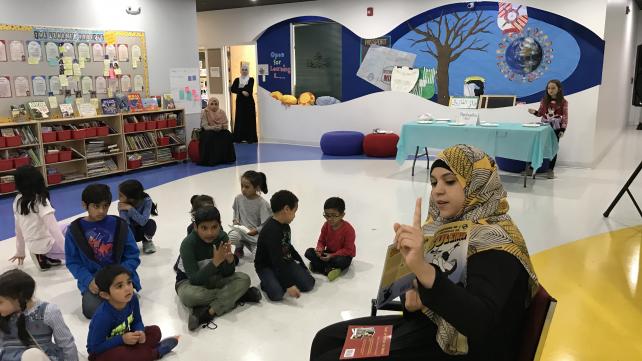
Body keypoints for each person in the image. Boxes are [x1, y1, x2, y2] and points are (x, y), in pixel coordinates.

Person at [310, 145, 539, 361]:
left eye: (450, 181)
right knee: (325, 340)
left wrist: (423, 270)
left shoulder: (496, 242)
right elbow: (438, 295)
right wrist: (413, 299)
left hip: (461, 349)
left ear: (476, 184)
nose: (438, 190)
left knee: (332, 357)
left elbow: (482, 323)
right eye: (433, 182)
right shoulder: (442, 226)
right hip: (432, 327)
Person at [174, 206, 261, 331]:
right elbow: (194, 280)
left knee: (244, 279)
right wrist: (215, 263)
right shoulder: (188, 244)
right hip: (189, 283)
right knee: (188, 296)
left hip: (215, 279)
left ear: (219, 225)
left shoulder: (222, 237)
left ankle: (207, 312)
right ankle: (239, 296)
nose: (210, 233)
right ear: (195, 227)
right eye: (204, 228)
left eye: (214, 227)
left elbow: (227, 273)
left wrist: (230, 261)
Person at [65, 183, 142, 319]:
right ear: (85, 205)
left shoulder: (120, 225)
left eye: (105, 206)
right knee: (90, 310)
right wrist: (89, 281)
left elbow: (133, 255)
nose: (101, 211)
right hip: (94, 281)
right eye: (96, 206)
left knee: (129, 304)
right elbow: (73, 262)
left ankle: (118, 299)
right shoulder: (74, 230)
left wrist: (121, 276)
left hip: (120, 277)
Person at [87, 265, 178, 361]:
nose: (128, 288)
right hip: (102, 353)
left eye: (129, 282)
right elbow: (95, 348)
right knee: (123, 355)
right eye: (120, 286)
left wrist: (140, 332)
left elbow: (137, 321)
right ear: (105, 295)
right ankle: (155, 353)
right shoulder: (103, 316)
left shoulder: (132, 299)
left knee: (155, 331)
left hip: (125, 339)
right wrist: (122, 339)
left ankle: (140, 352)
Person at [0, 269, 78, 361]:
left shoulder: (48, 311)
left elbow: (66, 344)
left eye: (0, 302)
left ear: (19, 298)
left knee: (32, 355)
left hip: (39, 357)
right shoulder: (4, 316)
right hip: (8, 357)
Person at [255, 190, 315, 301]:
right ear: (286, 209)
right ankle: (267, 282)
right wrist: (288, 285)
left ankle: (277, 279)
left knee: (309, 283)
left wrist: (302, 265)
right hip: (266, 266)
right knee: (277, 294)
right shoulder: (271, 231)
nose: (295, 215)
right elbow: (276, 260)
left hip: (283, 261)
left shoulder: (285, 226)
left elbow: (289, 247)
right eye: (294, 211)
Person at [10, 165, 65, 271]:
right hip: (46, 246)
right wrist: (69, 251)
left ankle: (42, 256)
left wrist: (20, 251)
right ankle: (46, 255)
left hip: (32, 245)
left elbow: (18, 229)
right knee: (77, 243)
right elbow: (53, 229)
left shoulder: (17, 200)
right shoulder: (40, 200)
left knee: (69, 227)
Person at [304, 197, 356, 282]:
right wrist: (319, 249)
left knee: (340, 261)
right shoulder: (326, 225)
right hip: (329, 252)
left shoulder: (349, 230)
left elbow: (348, 250)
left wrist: (332, 255)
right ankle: (328, 269)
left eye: (334, 215)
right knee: (309, 252)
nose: (329, 219)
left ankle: (318, 266)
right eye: (327, 215)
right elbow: (321, 241)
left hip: (342, 256)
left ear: (342, 214)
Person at [528, 79, 568, 179]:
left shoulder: (563, 102)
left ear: (559, 89)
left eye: (553, 88)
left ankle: (550, 170)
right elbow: (541, 113)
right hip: (544, 127)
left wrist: (562, 130)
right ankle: (532, 168)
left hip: (556, 128)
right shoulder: (544, 100)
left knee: (553, 148)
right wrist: (534, 112)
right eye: (549, 88)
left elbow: (565, 116)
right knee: (538, 147)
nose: (550, 90)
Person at [229, 171, 272, 259]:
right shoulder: (238, 198)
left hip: (255, 236)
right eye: (242, 186)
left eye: (247, 187)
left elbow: (266, 223)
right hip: (242, 232)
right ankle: (239, 247)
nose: (243, 189)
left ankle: (251, 246)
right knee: (232, 236)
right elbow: (236, 213)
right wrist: (235, 220)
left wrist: (256, 230)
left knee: (259, 256)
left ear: (257, 188)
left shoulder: (262, 203)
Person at [118, 180, 158, 254]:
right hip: (130, 232)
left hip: (141, 229)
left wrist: (130, 208)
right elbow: (126, 224)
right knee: (123, 227)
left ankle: (147, 242)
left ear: (131, 198)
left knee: (151, 223)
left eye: (121, 195)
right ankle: (130, 245)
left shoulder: (147, 200)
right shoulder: (122, 205)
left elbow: (143, 222)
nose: (118, 198)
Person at [198, 97, 236, 166]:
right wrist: (213, 128)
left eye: (216, 104)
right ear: (208, 104)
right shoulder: (204, 112)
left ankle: (226, 158)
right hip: (208, 130)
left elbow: (226, 125)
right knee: (209, 136)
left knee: (227, 134)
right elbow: (205, 126)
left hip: (219, 129)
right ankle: (211, 160)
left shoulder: (222, 112)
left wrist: (221, 127)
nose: (214, 106)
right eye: (212, 104)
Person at [230, 62, 257, 143]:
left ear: (248, 71)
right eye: (243, 69)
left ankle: (250, 138)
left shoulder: (251, 79)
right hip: (240, 103)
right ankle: (239, 138)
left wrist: (239, 89)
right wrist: (242, 91)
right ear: (240, 71)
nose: (244, 71)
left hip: (249, 103)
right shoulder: (237, 79)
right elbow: (232, 89)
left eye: (246, 70)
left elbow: (249, 91)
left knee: (249, 119)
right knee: (240, 119)